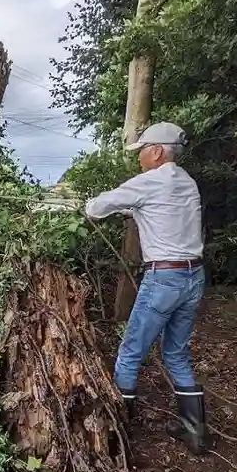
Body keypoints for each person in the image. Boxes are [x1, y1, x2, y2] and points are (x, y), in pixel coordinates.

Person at [83, 122, 208, 455]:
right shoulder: (187, 183)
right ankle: (195, 432)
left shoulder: (150, 181)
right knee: (176, 353)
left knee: (130, 353)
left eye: (141, 151)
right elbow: (163, 212)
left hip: (163, 280)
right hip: (193, 277)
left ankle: (117, 434)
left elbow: (97, 208)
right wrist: (133, 210)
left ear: (156, 152)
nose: (139, 158)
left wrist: (88, 205)